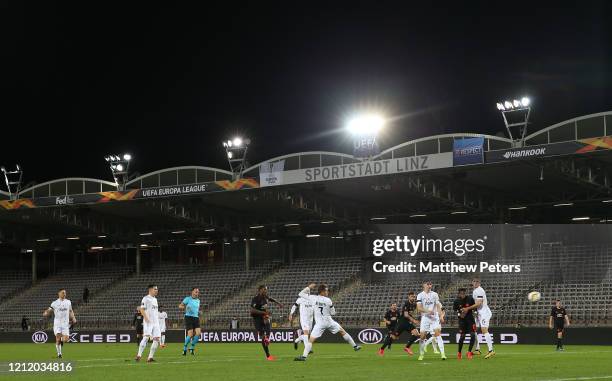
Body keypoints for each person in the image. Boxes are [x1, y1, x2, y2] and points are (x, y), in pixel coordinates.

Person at [294, 284, 361, 361]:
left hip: (320, 323)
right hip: (329, 321)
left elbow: (300, 294)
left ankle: (304, 357)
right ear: (322, 291)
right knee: (342, 331)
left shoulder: (313, 298)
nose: (327, 292)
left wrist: (309, 287)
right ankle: (355, 346)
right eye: (326, 290)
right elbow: (333, 313)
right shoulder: (328, 300)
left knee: (311, 340)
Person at [462, 278, 495, 359]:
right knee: (474, 330)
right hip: (479, 313)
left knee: (484, 330)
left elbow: (479, 303)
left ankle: (491, 351)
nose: (476, 283)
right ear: (472, 283)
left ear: (479, 283)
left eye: (477, 282)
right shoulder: (475, 291)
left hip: (484, 313)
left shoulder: (479, 290)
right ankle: (477, 349)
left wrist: (467, 308)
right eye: (474, 281)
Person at [250, 285, 283, 361]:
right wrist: (263, 312)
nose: (266, 291)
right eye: (264, 289)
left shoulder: (265, 297)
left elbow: (270, 299)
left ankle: (267, 338)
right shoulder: (255, 299)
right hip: (257, 318)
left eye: (266, 289)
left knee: (267, 323)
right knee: (262, 336)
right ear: (260, 290)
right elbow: (252, 310)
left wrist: (278, 303)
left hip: (264, 317)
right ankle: (268, 356)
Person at [416, 281, 446, 361]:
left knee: (438, 334)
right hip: (425, 318)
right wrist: (427, 311)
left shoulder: (435, 294)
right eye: (428, 284)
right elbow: (419, 308)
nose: (429, 286)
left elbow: (438, 306)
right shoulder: (420, 295)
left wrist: (440, 316)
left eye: (430, 284)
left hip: (434, 318)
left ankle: (443, 354)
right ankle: (421, 354)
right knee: (422, 337)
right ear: (424, 285)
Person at [43, 288, 76, 359]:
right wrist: (46, 313)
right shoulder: (54, 303)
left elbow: (70, 311)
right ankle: (59, 354)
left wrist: (73, 318)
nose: (64, 294)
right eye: (63, 293)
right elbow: (49, 310)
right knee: (57, 337)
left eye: (65, 293)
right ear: (59, 293)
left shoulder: (68, 302)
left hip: (65, 323)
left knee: (66, 339)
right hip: (57, 323)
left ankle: (61, 340)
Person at [136, 285, 161, 362]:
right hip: (148, 322)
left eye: (157, 289)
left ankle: (150, 357)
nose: (157, 290)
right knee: (146, 337)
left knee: (156, 339)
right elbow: (141, 309)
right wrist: (146, 319)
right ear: (150, 290)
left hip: (156, 322)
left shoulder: (155, 299)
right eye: (155, 289)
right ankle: (139, 355)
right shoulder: (146, 298)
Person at [289, 283, 315, 351]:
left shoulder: (312, 298)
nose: (308, 292)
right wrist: (291, 314)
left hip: (310, 319)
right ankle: (308, 349)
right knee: (306, 333)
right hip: (304, 318)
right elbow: (294, 306)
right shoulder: (300, 299)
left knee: (307, 334)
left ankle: (296, 340)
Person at [453, 288, 477, 359]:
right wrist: (459, 314)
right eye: (461, 293)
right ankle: (459, 352)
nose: (462, 294)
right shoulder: (456, 301)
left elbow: (474, 308)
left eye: (464, 293)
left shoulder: (470, 299)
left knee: (473, 335)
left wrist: (474, 313)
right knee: (462, 337)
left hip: (470, 320)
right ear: (459, 294)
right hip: (462, 321)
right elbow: (455, 310)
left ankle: (469, 352)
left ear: (465, 293)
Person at [179, 287, 202, 356]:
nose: (197, 293)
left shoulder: (198, 300)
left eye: (198, 292)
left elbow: (196, 309)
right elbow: (180, 306)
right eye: (196, 292)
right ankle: (184, 348)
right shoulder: (187, 299)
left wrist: (199, 312)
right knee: (190, 334)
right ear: (192, 292)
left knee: (198, 333)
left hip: (196, 317)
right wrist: (185, 307)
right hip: (188, 317)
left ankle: (191, 347)